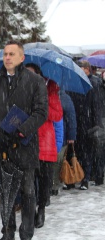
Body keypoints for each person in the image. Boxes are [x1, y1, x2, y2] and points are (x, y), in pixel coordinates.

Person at [0, 40, 48, 240]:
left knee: (27, 191)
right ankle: (8, 231)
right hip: (0, 145)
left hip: (25, 145)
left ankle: (26, 231)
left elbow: (41, 112)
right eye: (5, 54)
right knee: (5, 192)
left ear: (22, 58)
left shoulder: (35, 81)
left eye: (12, 54)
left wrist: (21, 131)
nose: (8, 58)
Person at [25, 63, 63, 229]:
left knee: (45, 179)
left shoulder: (50, 90)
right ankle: (31, 209)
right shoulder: (19, 90)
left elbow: (57, 115)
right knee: (28, 180)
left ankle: (41, 208)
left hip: (45, 141)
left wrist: (42, 107)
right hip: (25, 139)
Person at [67, 60, 101, 190]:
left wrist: (96, 124)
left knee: (86, 152)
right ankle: (73, 178)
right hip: (75, 122)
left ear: (87, 69)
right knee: (75, 152)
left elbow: (95, 106)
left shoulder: (92, 84)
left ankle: (85, 179)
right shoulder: (72, 83)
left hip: (86, 124)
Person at [52, 89, 77, 195]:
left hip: (61, 136)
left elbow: (71, 118)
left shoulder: (64, 98)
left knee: (57, 162)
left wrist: (71, 136)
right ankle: (52, 184)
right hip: (52, 135)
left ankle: (55, 185)